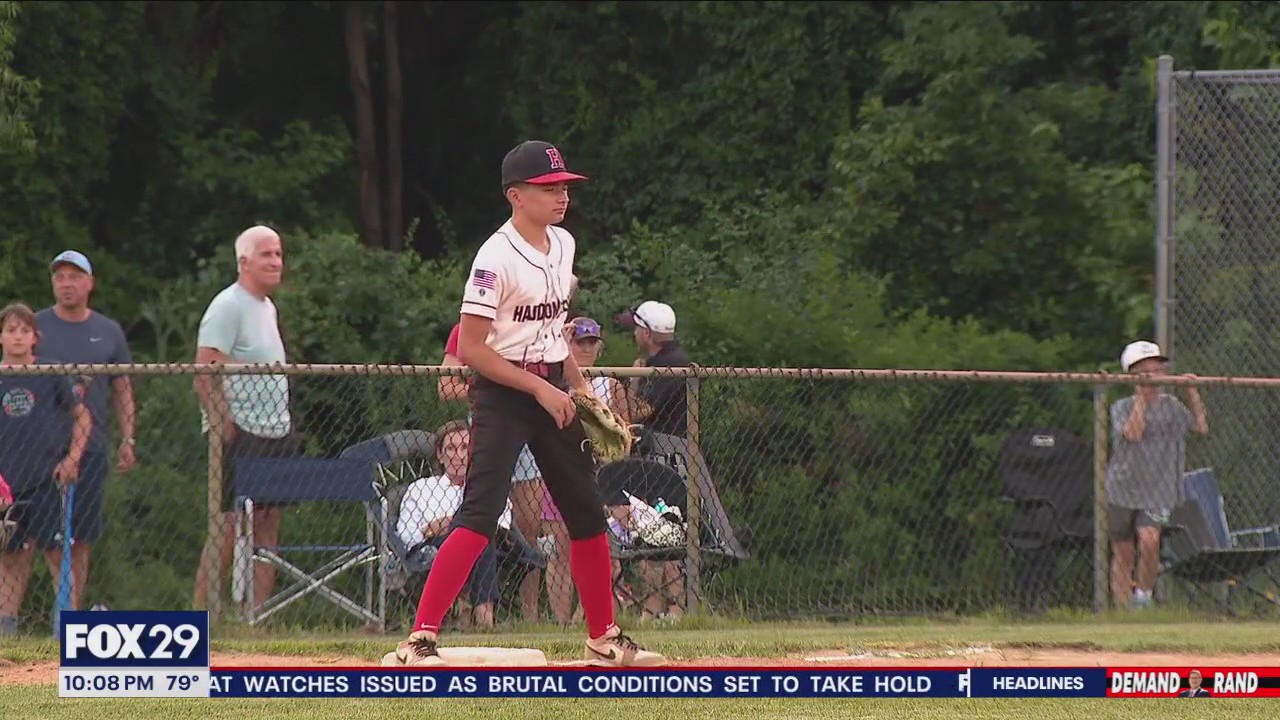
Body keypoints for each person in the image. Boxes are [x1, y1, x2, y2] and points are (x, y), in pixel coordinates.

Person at [390, 139, 664, 667]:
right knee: (479, 513)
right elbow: (473, 349)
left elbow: (553, 331)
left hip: (552, 386)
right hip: (503, 394)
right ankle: (418, 640)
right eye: (547, 187)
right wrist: (539, 388)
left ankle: (604, 637)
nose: (561, 195)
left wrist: (578, 386)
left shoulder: (563, 244)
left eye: (563, 186)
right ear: (515, 195)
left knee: (585, 510)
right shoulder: (494, 257)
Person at [193, 225, 300, 612]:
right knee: (229, 524)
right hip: (240, 431)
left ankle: (256, 617)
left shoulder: (268, 307)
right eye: (266, 254)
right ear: (243, 261)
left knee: (269, 523)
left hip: (276, 430)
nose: (276, 261)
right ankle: (204, 614)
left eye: (278, 254)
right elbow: (205, 370)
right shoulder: (227, 305)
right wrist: (224, 426)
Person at [34, 250, 136, 611]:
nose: (67, 284)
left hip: (91, 446)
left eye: (75, 277)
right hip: (41, 448)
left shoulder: (108, 331)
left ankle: (70, 615)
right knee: (47, 536)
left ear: (90, 283)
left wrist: (128, 438)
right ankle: (59, 609)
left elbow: (123, 388)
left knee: (81, 536)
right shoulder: (35, 327)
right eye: (60, 277)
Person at [616, 300, 749, 561]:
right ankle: (715, 540)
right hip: (671, 450)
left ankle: (717, 540)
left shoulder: (668, 364)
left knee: (668, 525)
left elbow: (639, 412)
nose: (634, 334)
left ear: (646, 333)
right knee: (673, 523)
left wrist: (633, 380)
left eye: (636, 329)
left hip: (668, 452)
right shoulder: (669, 360)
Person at [439, 321, 547, 621]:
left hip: (529, 429)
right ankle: (467, 609)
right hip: (488, 430)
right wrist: (494, 384)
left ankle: (530, 616)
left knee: (528, 529)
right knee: (477, 522)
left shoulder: (530, 323)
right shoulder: (467, 328)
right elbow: (446, 387)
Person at [0, 302, 91, 636]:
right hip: (7, 483)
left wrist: (72, 459)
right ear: (1, 337)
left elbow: (82, 417)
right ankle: (6, 633)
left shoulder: (51, 372)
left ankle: (66, 630)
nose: (18, 337)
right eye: (11, 330)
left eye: (25, 330)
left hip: (48, 478)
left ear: (35, 337)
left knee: (58, 554)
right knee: (10, 558)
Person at [1105, 340, 1208, 610]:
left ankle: (1143, 598)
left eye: (1157, 370)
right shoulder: (1122, 407)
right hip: (1124, 488)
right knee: (1124, 551)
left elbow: (1200, 427)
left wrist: (1192, 392)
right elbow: (1133, 434)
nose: (1155, 376)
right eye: (1146, 372)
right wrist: (1142, 397)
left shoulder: (1172, 406)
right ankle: (1122, 611)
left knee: (1150, 540)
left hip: (1158, 490)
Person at [542, 316, 628, 624]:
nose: (587, 348)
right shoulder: (555, 380)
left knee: (598, 545)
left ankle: (586, 615)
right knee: (562, 550)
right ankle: (561, 621)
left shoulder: (608, 383)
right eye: (580, 342)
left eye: (592, 342)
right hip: (561, 466)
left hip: (602, 474)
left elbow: (622, 430)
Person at [396, 421, 510, 629]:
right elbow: (406, 534)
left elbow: (503, 521)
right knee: (477, 537)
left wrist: (451, 524)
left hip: (484, 542)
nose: (458, 455)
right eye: (450, 448)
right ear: (440, 455)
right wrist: (430, 531)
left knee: (481, 538)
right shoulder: (421, 488)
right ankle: (484, 618)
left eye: (465, 447)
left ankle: (476, 616)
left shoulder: (484, 488)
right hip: (434, 545)